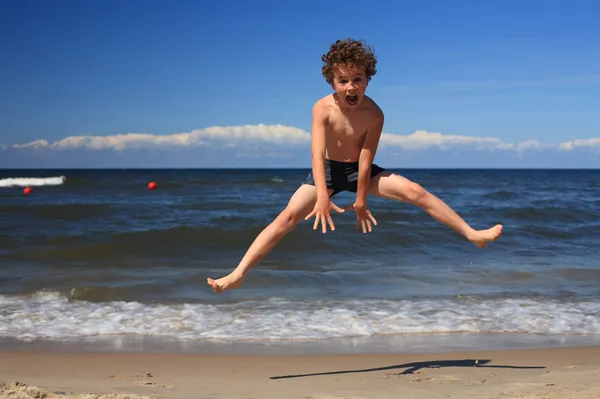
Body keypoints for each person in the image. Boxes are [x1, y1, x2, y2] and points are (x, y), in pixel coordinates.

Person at [207, 38, 503, 294]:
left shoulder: (374, 114)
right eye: (343, 81)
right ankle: (238, 274)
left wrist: (361, 200)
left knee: (414, 190)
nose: (351, 87)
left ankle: (471, 233)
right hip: (327, 172)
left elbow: (365, 158)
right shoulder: (321, 108)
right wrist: (322, 197)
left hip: (359, 170)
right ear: (332, 82)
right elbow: (316, 154)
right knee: (286, 219)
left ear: (367, 79)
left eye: (357, 79)